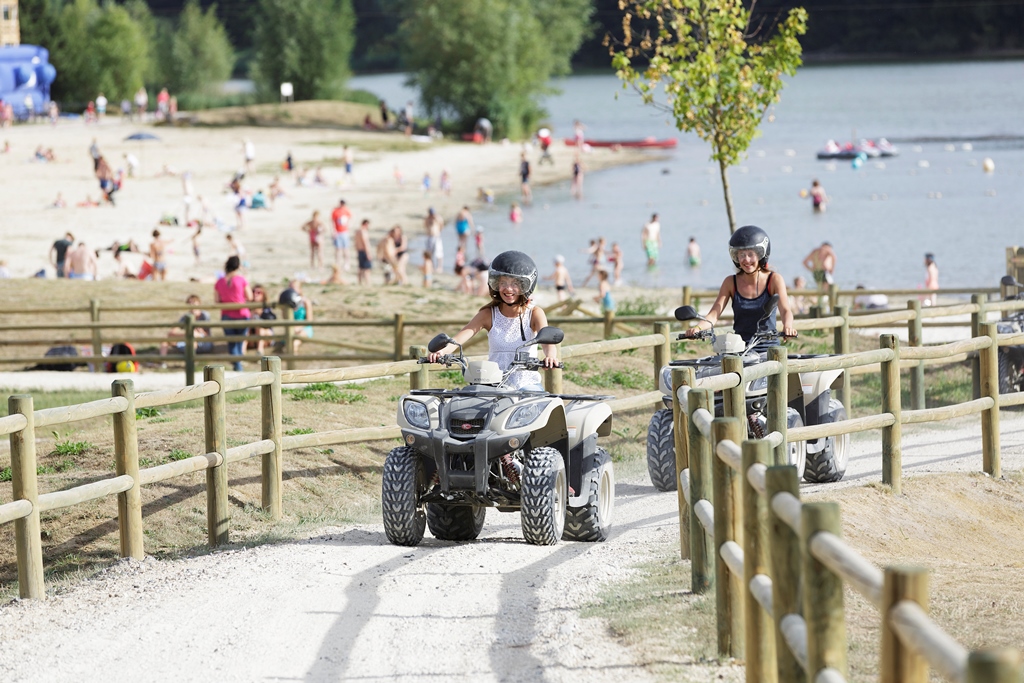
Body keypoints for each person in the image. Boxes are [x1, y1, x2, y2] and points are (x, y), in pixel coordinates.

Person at [427, 251, 558, 390]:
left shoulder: (535, 313)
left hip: (526, 385)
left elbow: (547, 342)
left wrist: (550, 356)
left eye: (515, 283)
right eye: (503, 282)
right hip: (493, 384)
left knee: (535, 405)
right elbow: (461, 337)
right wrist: (443, 352)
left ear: (526, 285)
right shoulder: (488, 314)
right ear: (495, 283)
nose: (508, 288)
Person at [683, 226, 797, 346]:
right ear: (736, 257)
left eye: (751, 254)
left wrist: (788, 326)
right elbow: (714, 314)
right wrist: (697, 328)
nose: (746, 260)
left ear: (760, 255)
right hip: (739, 348)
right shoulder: (730, 282)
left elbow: (785, 310)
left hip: (767, 349)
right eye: (742, 255)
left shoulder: (774, 279)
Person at [214, 256, 252, 372]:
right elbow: (250, 296)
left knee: (231, 342)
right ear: (238, 266)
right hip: (242, 314)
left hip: (226, 314)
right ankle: (238, 366)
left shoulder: (220, 281)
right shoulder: (241, 280)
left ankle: (237, 365)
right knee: (240, 341)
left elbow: (216, 300)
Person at [279, 281, 314, 354]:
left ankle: (292, 352)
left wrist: (298, 327)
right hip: (291, 328)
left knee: (297, 338)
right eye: (290, 288)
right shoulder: (287, 305)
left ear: (300, 289)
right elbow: (284, 319)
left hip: (304, 328)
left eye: (294, 288)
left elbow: (309, 320)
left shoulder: (305, 302)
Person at [802, 241, 837, 308]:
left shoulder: (815, 252)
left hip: (816, 273)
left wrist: (812, 269)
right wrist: (832, 268)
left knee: (821, 289)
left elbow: (804, 262)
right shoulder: (826, 251)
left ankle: (823, 305)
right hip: (824, 272)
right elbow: (834, 258)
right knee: (829, 289)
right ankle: (826, 307)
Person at [249, 285, 276, 355]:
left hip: (266, 335)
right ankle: (240, 356)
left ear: (263, 295)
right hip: (252, 336)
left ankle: (259, 351)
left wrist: (260, 314)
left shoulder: (267, 308)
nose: (255, 294)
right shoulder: (247, 308)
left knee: (260, 328)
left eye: (258, 292)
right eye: (253, 292)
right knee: (246, 331)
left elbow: (270, 322)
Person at [330, 199, 351, 270]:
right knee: (338, 249)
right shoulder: (335, 211)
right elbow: (332, 221)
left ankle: (347, 263)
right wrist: (333, 231)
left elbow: (350, 218)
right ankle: (337, 263)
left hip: (345, 232)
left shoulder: (346, 210)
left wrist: (348, 227)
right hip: (338, 232)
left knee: (346, 249)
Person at [354, 218, 372, 285]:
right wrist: (368, 253)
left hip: (359, 251)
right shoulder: (363, 232)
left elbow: (355, 243)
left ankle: (360, 282)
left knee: (360, 268)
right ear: (366, 224)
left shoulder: (357, 231)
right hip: (364, 251)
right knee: (367, 269)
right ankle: (368, 283)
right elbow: (365, 243)